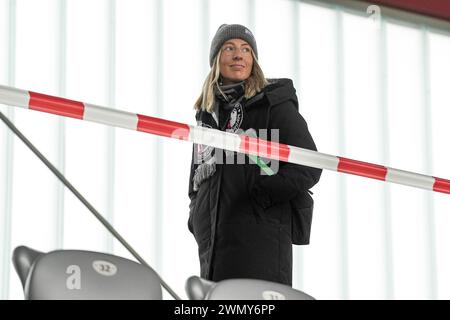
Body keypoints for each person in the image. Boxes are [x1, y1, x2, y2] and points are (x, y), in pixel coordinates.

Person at [187, 24, 322, 286]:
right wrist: (198, 218)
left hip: (261, 243)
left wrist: (260, 195)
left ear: (253, 61)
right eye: (229, 48)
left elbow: (309, 166)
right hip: (214, 248)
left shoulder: (272, 104)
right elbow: (195, 184)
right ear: (216, 60)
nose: (239, 55)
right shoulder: (207, 120)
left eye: (246, 49)